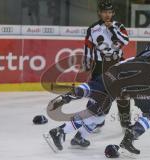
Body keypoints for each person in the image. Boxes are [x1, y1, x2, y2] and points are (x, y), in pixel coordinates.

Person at [46, 43, 150, 154]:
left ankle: (71, 104)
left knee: (96, 105)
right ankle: (131, 136)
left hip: (115, 72)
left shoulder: (140, 57)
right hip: (138, 81)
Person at [48, 1, 130, 149]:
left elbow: (125, 41)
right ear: (99, 12)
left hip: (117, 66)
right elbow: (87, 48)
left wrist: (112, 30)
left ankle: (124, 122)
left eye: (110, 12)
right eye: (104, 12)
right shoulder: (93, 29)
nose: (107, 14)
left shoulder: (119, 26)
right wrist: (86, 65)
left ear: (113, 13)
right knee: (98, 106)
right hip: (100, 68)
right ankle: (77, 132)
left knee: (120, 98)